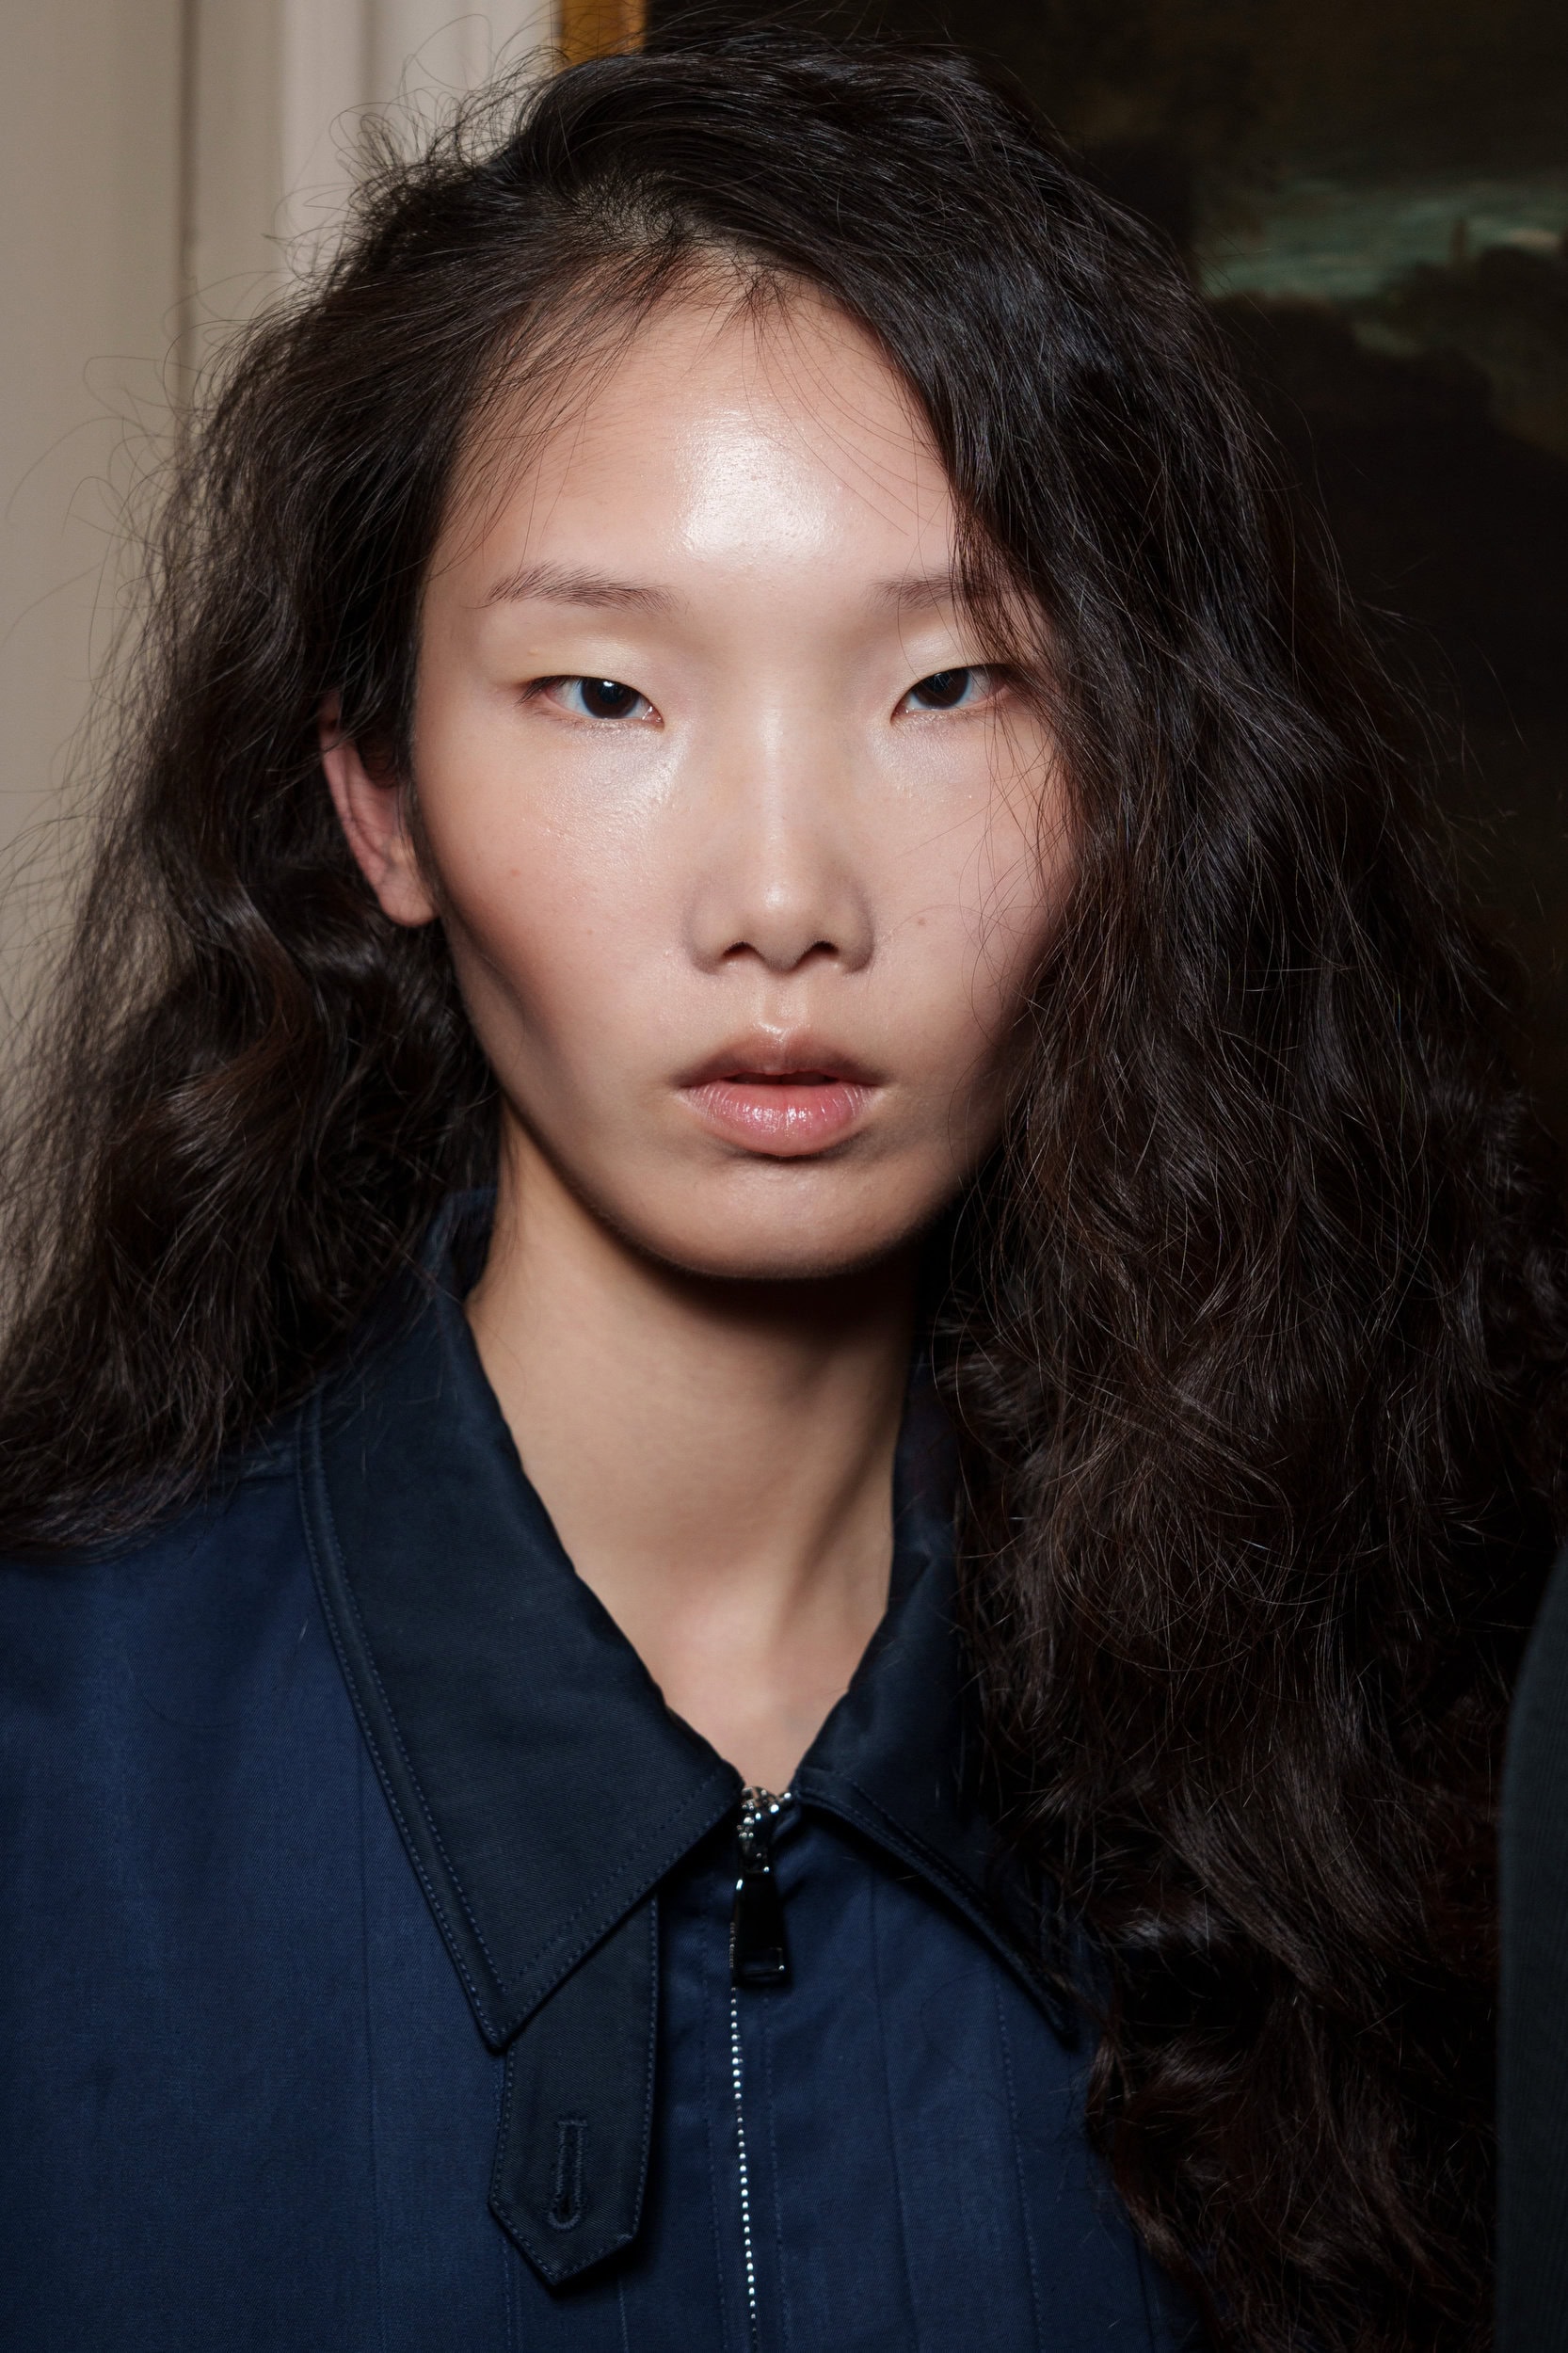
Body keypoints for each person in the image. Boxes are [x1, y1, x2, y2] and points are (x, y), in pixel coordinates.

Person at [0, 28, 1561, 2353]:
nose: (779, 900)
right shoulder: (50, 1781)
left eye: (950, 686)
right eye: (601, 693)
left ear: (1135, 781)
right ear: (378, 799)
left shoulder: (1383, 1785)